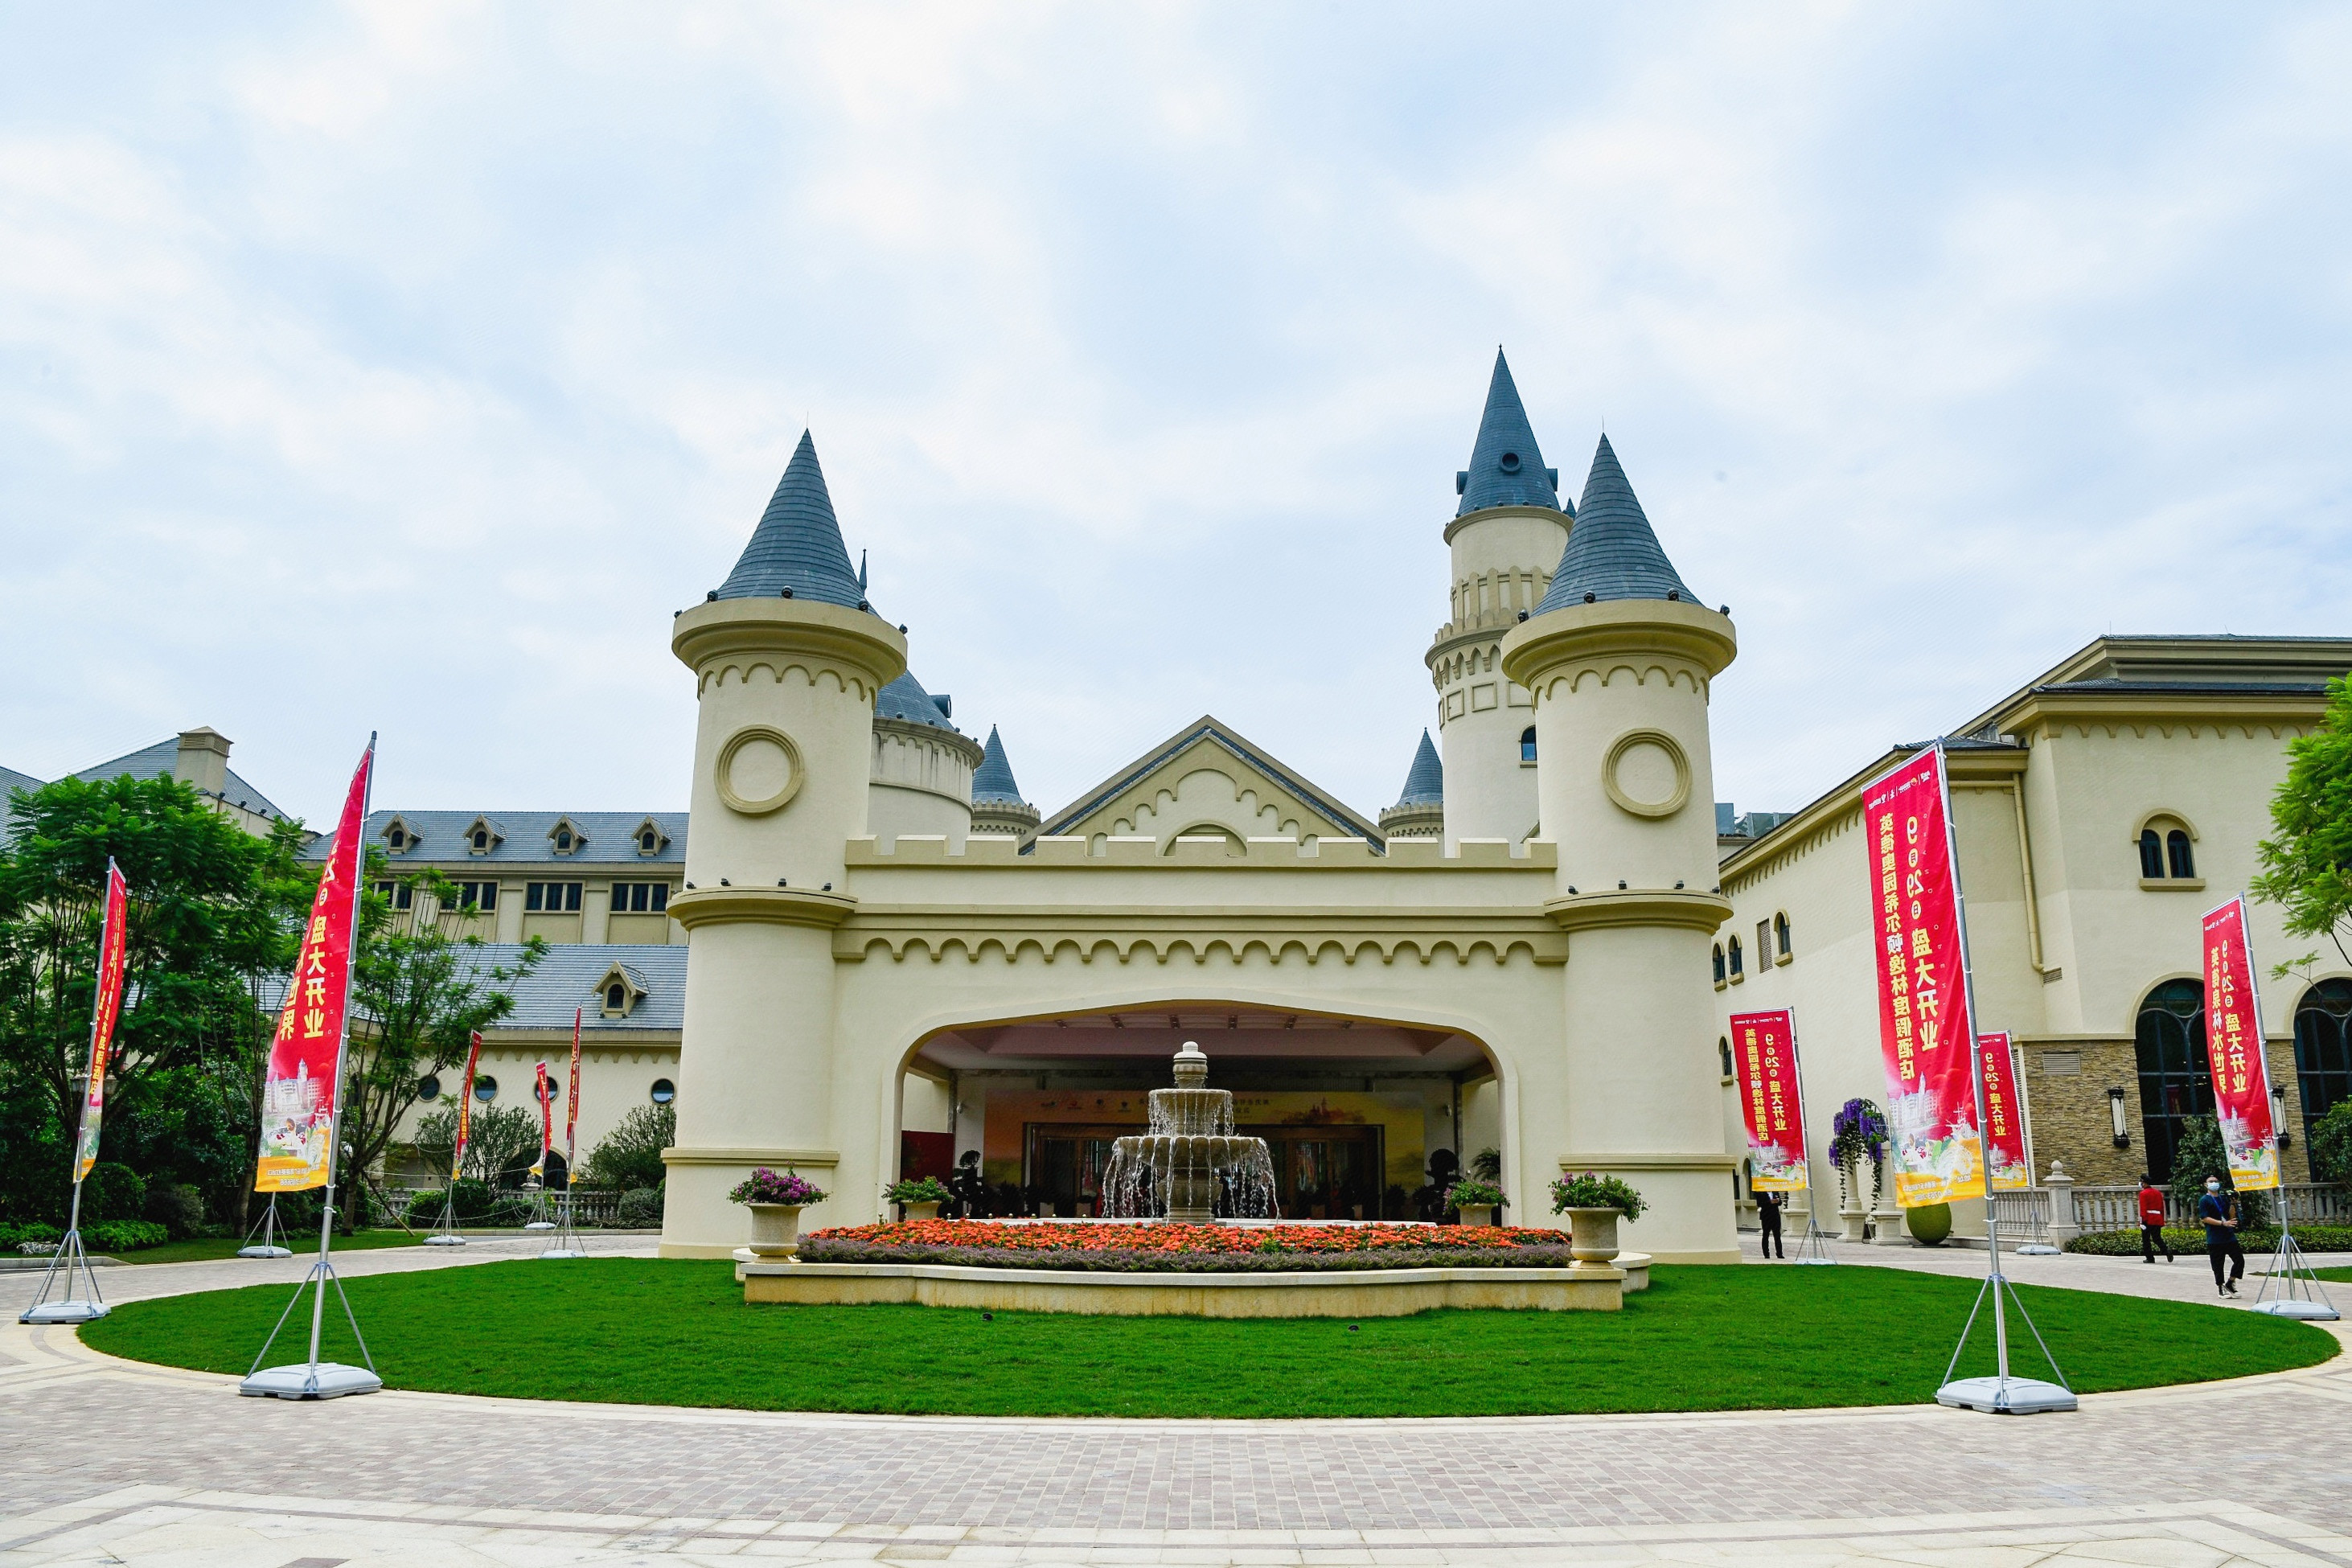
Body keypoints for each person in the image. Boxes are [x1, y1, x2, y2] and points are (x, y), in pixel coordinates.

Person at [2197, 1175, 2244, 1296]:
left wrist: (2233, 1203)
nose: (2214, 1183)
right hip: (2215, 1237)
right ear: (2205, 1185)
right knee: (2218, 1265)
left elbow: (2231, 1215)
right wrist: (2223, 1223)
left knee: (2239, 1260)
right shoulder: (2204, 1200)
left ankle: (2231, 1282)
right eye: (2211, 1181)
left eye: (2216, 1181)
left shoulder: (2223, 1198)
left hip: (2228, 1236)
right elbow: (2205, 1218)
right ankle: (2221, 1288)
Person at [2137, 1174, 2173, 1264]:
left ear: (2144, 1183)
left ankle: (2150, 1258)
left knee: (2146, 1240)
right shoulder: (2158, 1193)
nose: (2140, 1183)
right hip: (2157, 1218)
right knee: (2157, 1238)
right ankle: (2166, 1250)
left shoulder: (2143, 1193)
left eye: (2141, 1182)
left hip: (2147, 1219)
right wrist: (2162, 1219)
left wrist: (2141, 1222)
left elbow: (2143, 1209)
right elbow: (2161, 1208)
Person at [1756, 1188, 1785, 1259]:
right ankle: (1766, 1254)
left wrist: (1777, 1201)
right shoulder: (1760, 1193)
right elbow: (1759, 1204)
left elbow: (1780, 1202)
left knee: (1777, 1235)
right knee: (1766, 1235)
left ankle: (1779, 1253)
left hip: (1775, 1216)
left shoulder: (1775, 1191)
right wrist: (1770, 1202)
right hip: (1766, 1216)